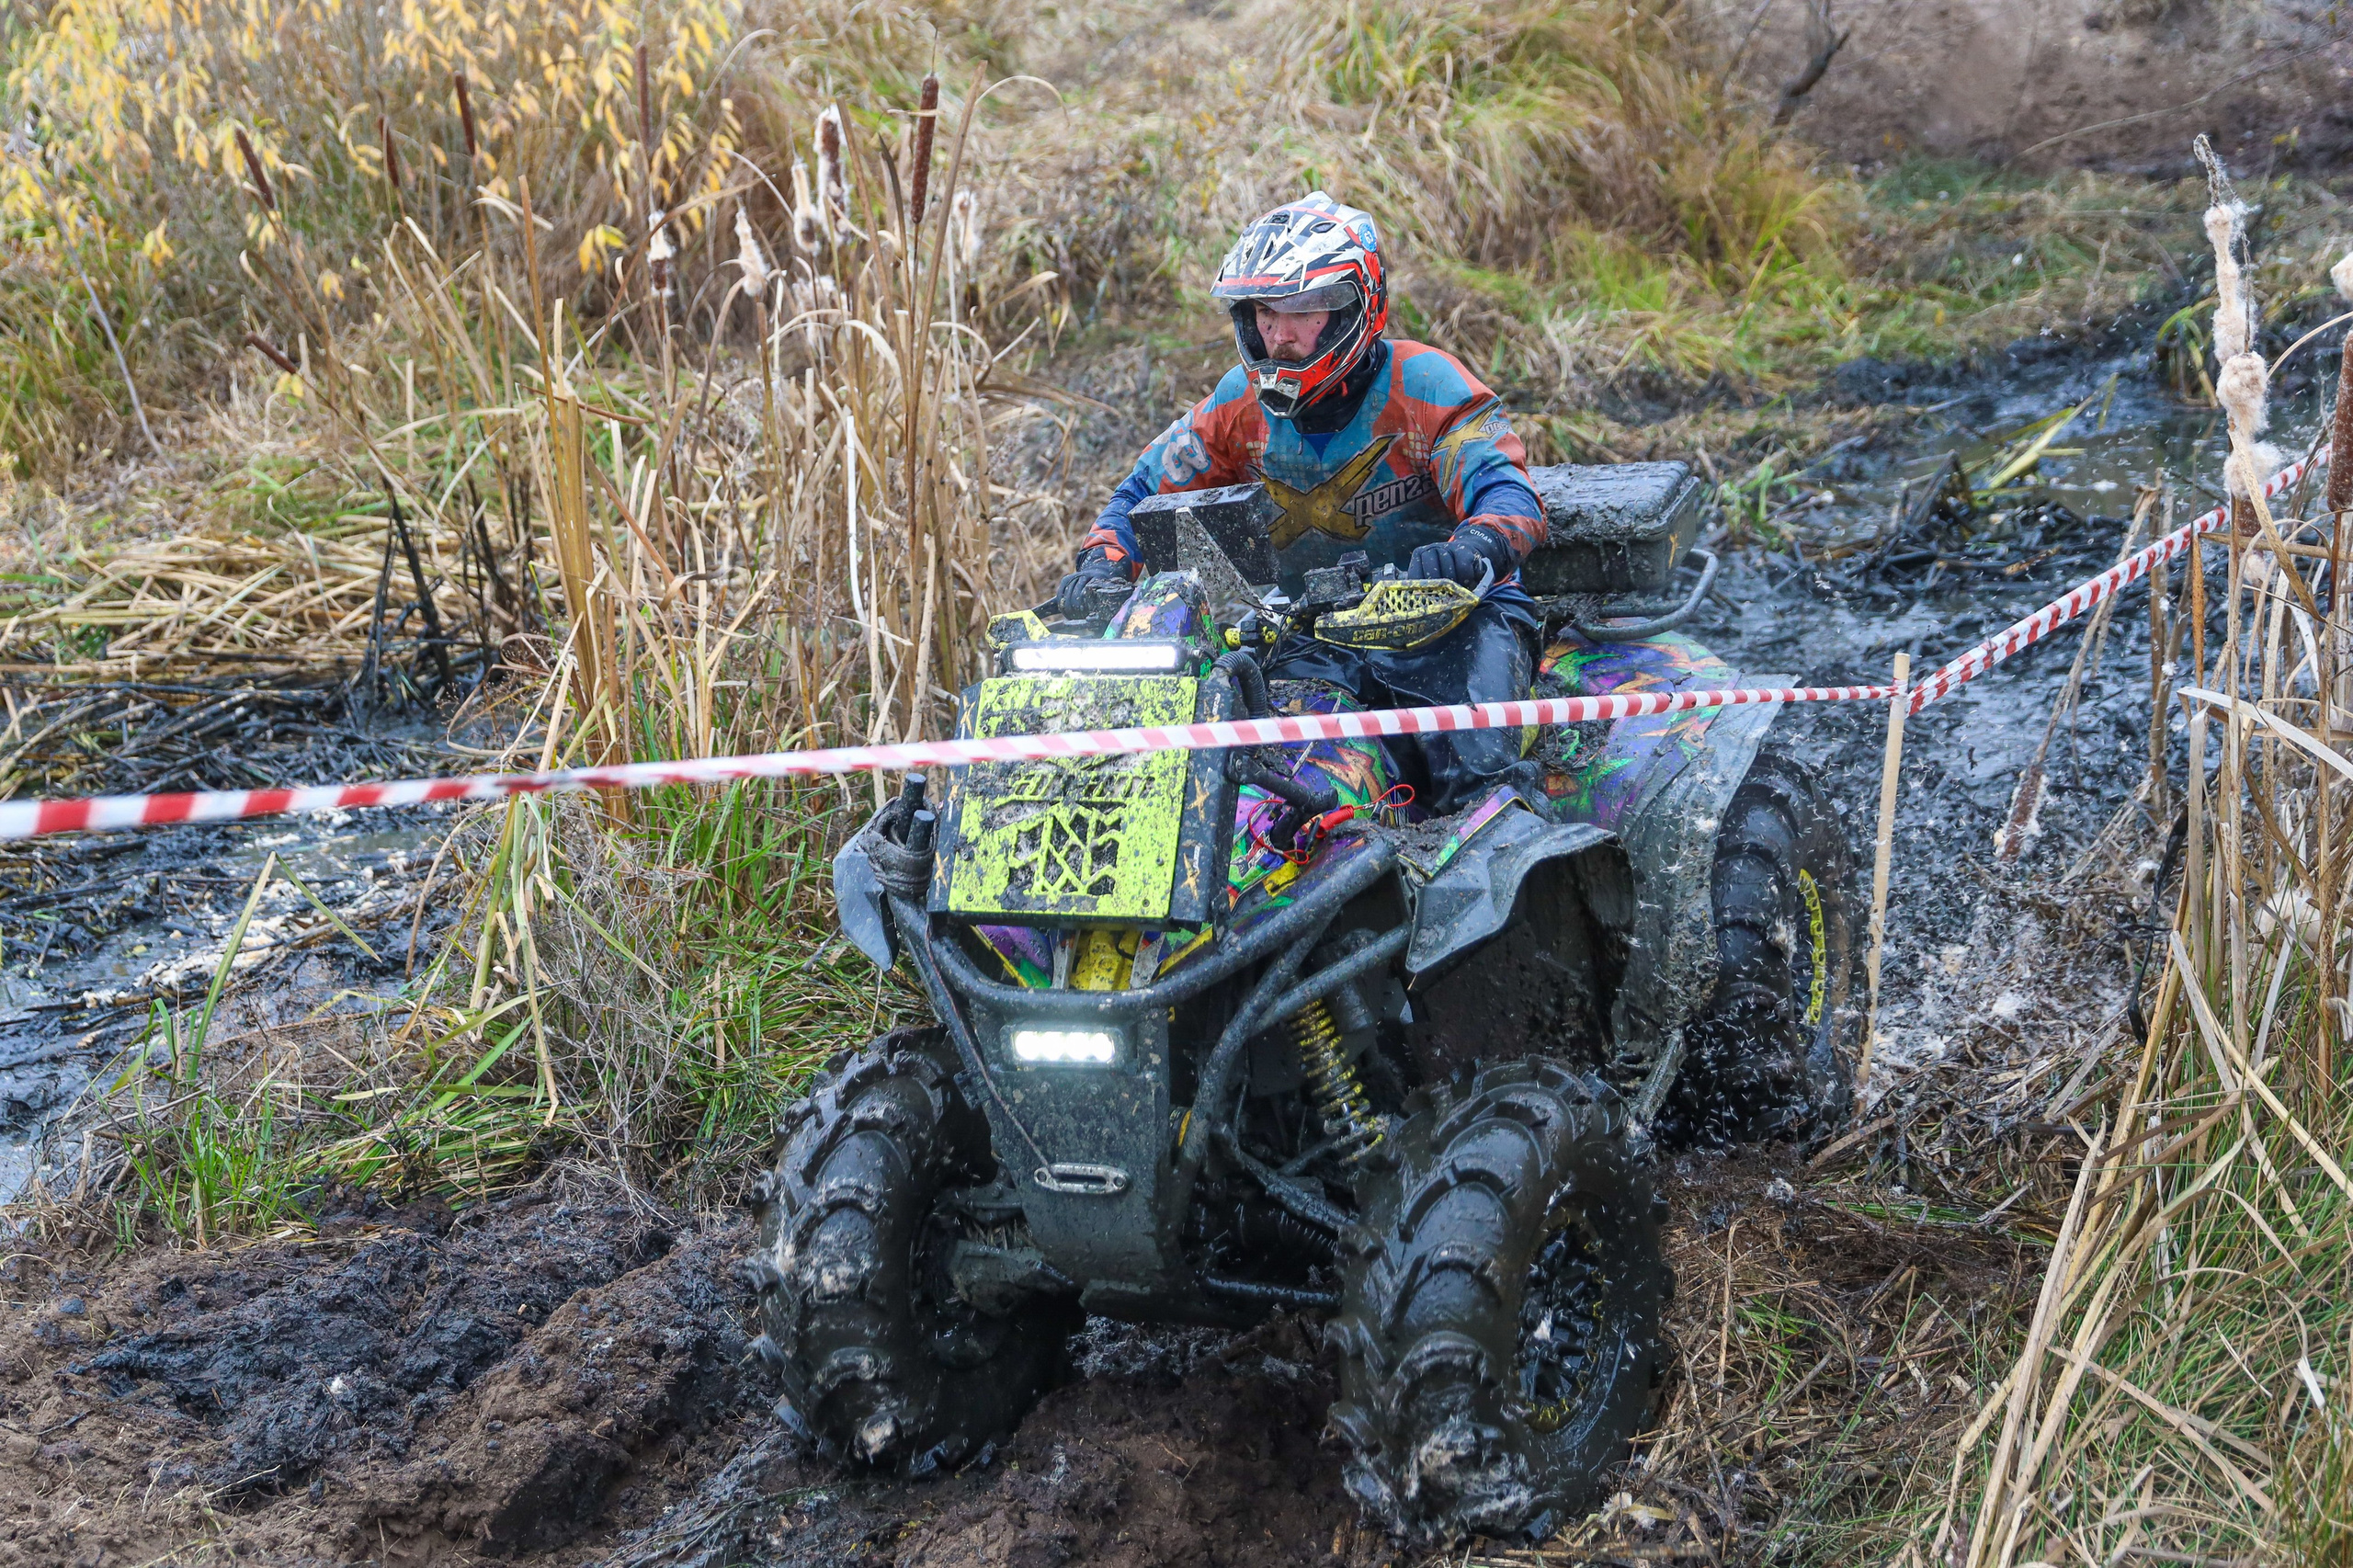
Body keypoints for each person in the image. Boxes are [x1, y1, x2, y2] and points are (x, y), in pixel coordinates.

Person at [1062, 192, 1548, 814]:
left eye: (1304, 312)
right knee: (1266, 785)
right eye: (1266, 312)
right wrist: (1102, 564)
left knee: (1477, 768)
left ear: (1354, 309)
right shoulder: (1238, 404)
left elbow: (1508, 494)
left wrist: (1469, 550)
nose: (1281, 336)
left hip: (1455, 620)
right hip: (1311, 631)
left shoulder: (1427, 386)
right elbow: (1142, 495)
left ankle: (1524, 877)